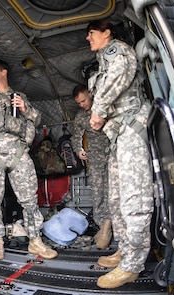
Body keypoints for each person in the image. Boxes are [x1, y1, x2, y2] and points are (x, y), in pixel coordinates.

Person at [0, 58, 57, 260]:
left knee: (29, 198)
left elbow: (37, 119)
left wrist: (24, 108)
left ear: (3, 72)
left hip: (17, 151)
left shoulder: (19, 96)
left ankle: (35, 241)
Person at [85, 20, 153, 288]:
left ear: (107, 32)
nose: (87, 38)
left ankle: (133, 264)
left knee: (134, 198)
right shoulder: (103, 59)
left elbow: (119, 75)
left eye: (91, 33)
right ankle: (125, 249)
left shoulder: (118, 51)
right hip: (118, 136)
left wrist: (98, 109)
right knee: (116, 198)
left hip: (130, 128)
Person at [71, 84, 112, 249]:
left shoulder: (105, 107)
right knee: (97, 193)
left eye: (83, 100)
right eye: (79, 103)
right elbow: (76, 136)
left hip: (112, 156)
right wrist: (78, 149)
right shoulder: (81, 117)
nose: (82, 105)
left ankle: (111, 228)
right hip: (95, 160)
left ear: (90, 94)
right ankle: (103, 227)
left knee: (112, 192)